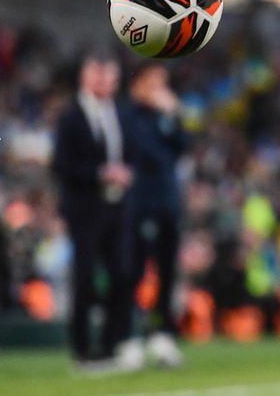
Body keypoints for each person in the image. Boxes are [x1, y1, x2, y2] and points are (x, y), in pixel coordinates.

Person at [50, 51, 140, 372]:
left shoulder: (123, 113)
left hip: (117, 207)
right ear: (84, 78)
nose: (103, 81)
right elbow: (61, 165)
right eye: (97, 74)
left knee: (121, 275)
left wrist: (126, 173)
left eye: (108, 75)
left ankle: (111, 344)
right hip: (85, 209)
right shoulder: (71, 116)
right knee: (85, 278)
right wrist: (100, 173)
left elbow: (134, 154)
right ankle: (82, 349)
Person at [123, 63, 188, 368]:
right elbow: (148, 153)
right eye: (153, 84)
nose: (159, 91)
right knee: (134, 271)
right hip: (139, 204)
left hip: (167, 203)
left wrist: (175, 116)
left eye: (162, 84)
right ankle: (131, 336)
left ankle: (163, 335)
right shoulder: (129, 115)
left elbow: (183, 148)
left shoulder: (167, 117)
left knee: (167, 272)